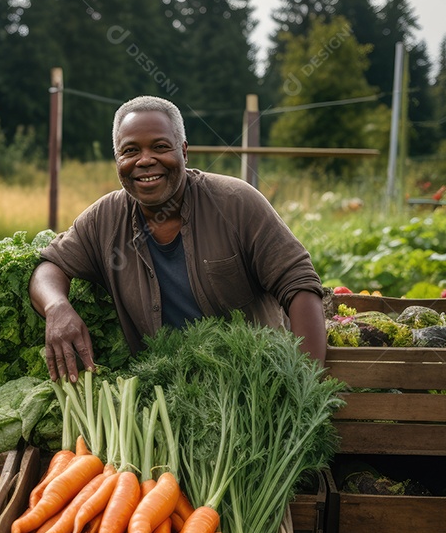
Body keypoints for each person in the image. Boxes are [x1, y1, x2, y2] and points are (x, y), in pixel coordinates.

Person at [29, 95, 327, 382]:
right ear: (117, 159)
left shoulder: (236, 203)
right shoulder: (105, 219)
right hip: (169, 397)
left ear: (183, 151)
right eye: (130, 151)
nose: (145, 160)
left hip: (252, 388)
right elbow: (50, 266)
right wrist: (56, 307)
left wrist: (300, 385)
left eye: (160, 146)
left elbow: (299, 284)